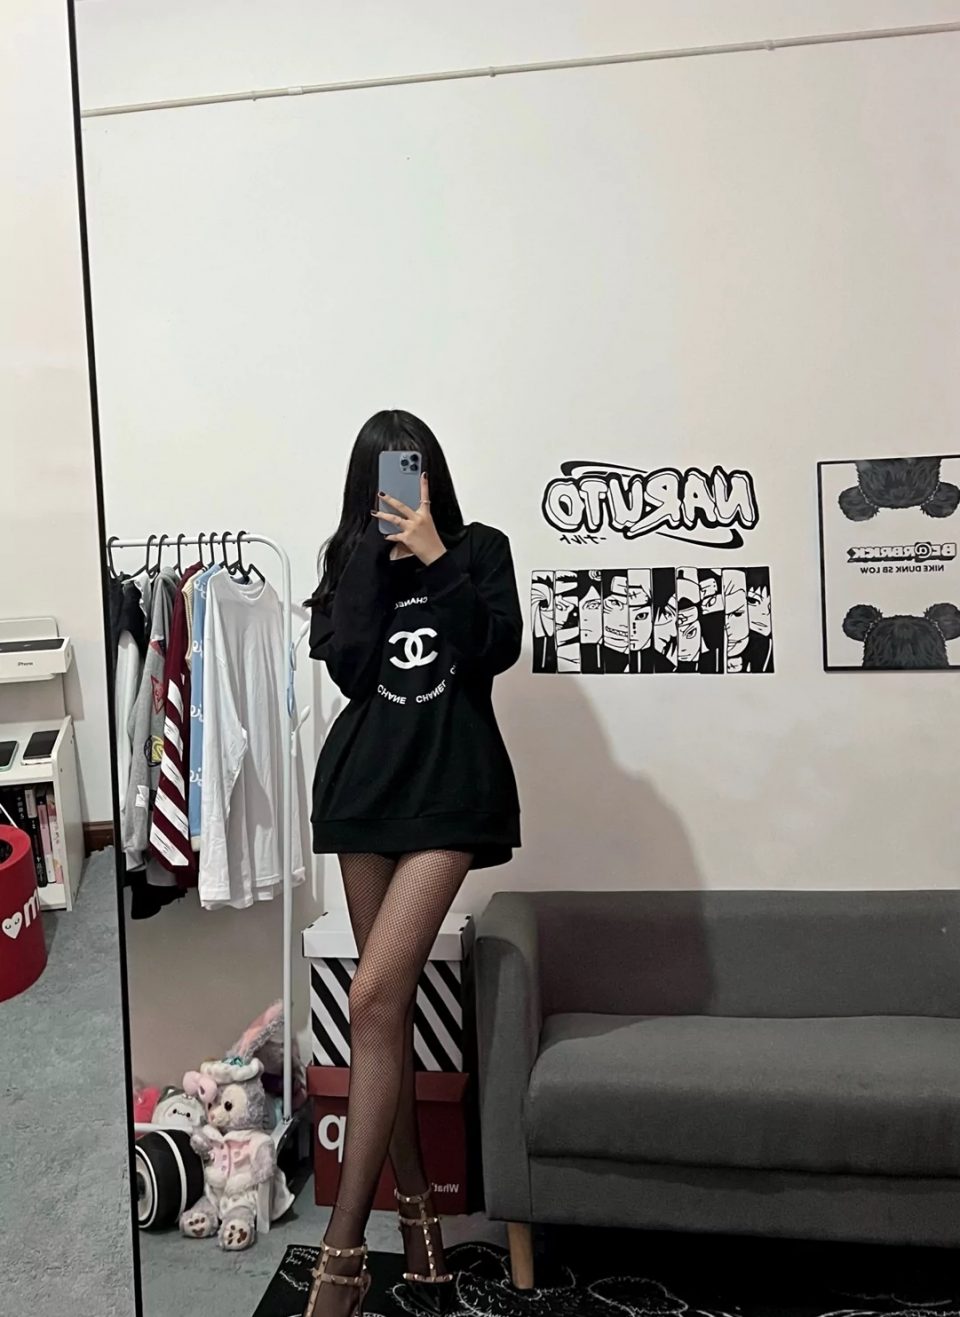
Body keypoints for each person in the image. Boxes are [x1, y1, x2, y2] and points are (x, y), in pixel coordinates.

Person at [304, 410, 522, 1317]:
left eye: (417, 468)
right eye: (389, 475)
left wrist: (434, 554)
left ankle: (343, 1254)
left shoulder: (479, 548)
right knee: (383, 1013)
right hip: (363, 796)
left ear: (435, 473)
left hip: (450, 794)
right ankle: (421, 1215)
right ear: (367, 486)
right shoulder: (348, 561)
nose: (405, 486)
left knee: (369, 998)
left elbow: (494, 649)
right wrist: (370, 557)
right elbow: (351, 670)